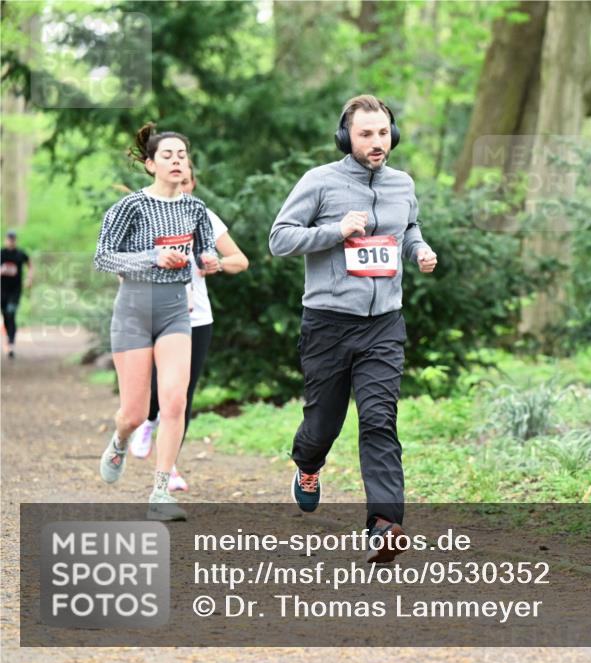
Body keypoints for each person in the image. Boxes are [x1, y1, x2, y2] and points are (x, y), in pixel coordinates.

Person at [269, 95, 437, 563]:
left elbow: (411, 227)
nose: (376, 142)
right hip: (327, 323)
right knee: (323, 424)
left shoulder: (402, 184)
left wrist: (419, 250)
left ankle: (384, 524)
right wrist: (335, 231)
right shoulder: (319, 182)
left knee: (380, 419)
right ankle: (307, 466)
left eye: (383, 132)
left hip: (384, 324)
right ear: (347, 137)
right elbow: (279, 238)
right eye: (366, 134)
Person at [94, 122, 219, 521]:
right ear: (150, 164)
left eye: (182, 155)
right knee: (133, 412)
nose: (177, 161)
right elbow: (103, 257)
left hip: (174, 312)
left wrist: (209, 261)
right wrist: (152, 257)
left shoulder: (195, 209)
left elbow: (204, 253)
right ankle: (120, 440)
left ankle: (161, 492)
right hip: (133, 309)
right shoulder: (130, 207)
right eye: (167, 156)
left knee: (175, 400)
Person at [128, 163, 249, 493]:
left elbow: (240, 260)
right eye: (174, 178)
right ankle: (147, 421)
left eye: (185, 180)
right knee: (156, 387)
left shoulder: (204, 217)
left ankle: (169, 469)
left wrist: (217, 264)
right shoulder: (144, 214)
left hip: (196, 318)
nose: (179, 184)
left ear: (193, 184)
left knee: (183, 396)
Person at [1, 230, 33, 358]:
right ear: (5, 240)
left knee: (11, 313)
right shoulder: (1, 254)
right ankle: (8, 339)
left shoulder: (20, 254)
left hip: (15, 291)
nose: (11, 241)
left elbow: (30, 264)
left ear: (16, 240)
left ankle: (10, 344)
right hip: (1, 291)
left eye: (13, 239)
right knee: (5, 315)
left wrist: (29, 278)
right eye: (9, 239)